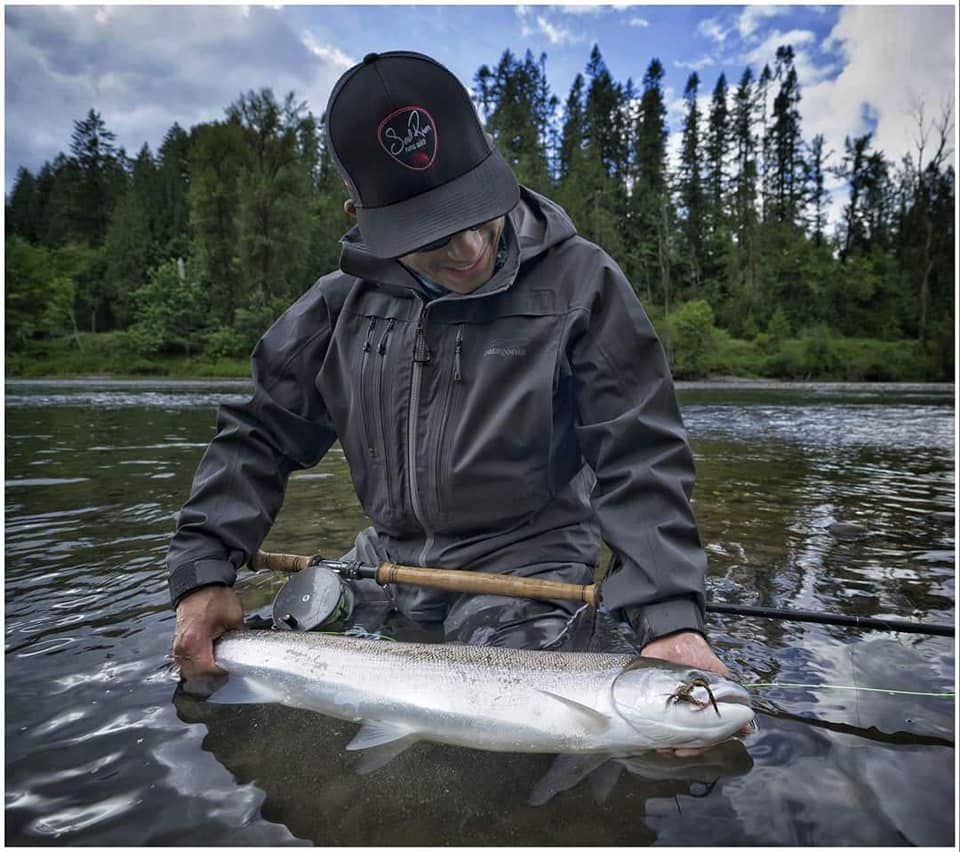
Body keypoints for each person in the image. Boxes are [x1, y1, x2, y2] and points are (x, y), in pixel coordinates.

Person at [169, 51, 731, 711]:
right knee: (232, 688)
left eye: (475, 212)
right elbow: (258, 435)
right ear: (361, 214)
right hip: (383, 559)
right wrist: (204, 573)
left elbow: (639, 458)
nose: (467, 250)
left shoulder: (583, 285)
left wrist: (670, 620)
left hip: (529, 564)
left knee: (518, 740)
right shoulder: (337, 307)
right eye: (432, 234)